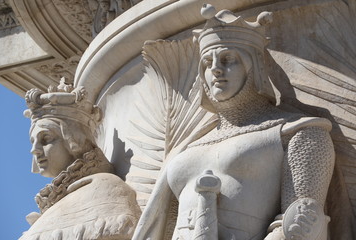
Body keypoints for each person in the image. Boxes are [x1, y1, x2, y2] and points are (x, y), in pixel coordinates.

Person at [133, 6, 335, 240]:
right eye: (208, 63)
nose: (216, 69)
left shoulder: (298, 133)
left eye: (228, 59)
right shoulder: (186, 148)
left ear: (255, 68)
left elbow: (301, 220)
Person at [21, 80, 141, 240]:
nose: (34, 149)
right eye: (33, 142)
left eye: (46, 139)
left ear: (73, 140)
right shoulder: (58, 198)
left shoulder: (103, 186)